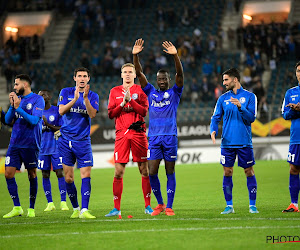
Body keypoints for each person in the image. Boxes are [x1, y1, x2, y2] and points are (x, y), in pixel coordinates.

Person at [132, 39, 184, 216]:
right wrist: (135, 55)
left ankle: (169, 206)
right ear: (156, 81)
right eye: (159, 79)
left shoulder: (175, 93)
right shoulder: (150, 92)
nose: (162, 81)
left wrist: (175, 56)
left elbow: (180, 74)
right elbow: (138, 74)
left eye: (164, 79)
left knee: (170, 171)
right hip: (153, 138)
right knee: (152, 171)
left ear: (169, 79)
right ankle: (160, 204)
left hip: (170, 136)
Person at [106, 62, 152, 217]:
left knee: (144, 170)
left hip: (139, 134)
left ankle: (148, 206)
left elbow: (144, 111)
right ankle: (116, 208)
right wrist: (123, 102)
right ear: (121, 74)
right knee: (118, 171)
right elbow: (111, 114)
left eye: (130, 72)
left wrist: (131, 101)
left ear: (134, 75)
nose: (127, 74)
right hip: (121, 135)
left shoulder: (140, 90)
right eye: (124, 72)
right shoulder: (114, 91)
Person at [210, 68, 259, 214]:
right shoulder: (222, 98)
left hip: (244, 142)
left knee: (249, 171)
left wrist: (240, 106)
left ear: (235, 79)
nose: (223, 82)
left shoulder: (250, 97)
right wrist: (213, 129)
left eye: (226, 80)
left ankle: (252, 205)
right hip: (227, 143)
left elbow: (251, 118)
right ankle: (229, 206)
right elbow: (215, 117)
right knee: (227, 172)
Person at [57, 67, 99, 219]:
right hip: (66, 141)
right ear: (74, 78)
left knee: (85, 174)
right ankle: (76, 208)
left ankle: (85, 210)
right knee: (68, 178)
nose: (82, 78)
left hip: (83, 141)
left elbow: (92, 114)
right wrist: (75, 99)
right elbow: (61, 111)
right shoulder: (65, 92)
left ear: (88, 79)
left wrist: (85, 99)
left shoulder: (93, 96)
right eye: (79, 76)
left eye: (85, 76)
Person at [3, 74, 45, 218]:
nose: (14, 87)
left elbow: (34, 121)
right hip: (14, 143)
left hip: (31, 144)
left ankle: (31, 208)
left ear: (25, 85)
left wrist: (19, 108)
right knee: (8, 173)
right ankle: (17, 207)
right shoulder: (17, 100)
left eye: (16, 84)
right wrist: (12, 106)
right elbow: (8, 120)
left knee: (32, 174)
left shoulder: (38, 99)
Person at [38, 90, 69, 212]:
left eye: (44, 94)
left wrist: (48, 124)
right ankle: (50, 203)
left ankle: (63, 202)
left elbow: (62, 128)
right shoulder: (36, 113)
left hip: (56, 147)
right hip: (42, 149)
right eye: (40, 95)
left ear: (50, 96)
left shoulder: (57, 110)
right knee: (45, 174)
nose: (42, 97)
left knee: (60, 173)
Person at [281, 61, 300, 212]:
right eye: (299, 70)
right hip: (296, 138)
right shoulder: (290, 93)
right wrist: (295, 110)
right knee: (293, 169)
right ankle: (294, 204)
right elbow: (285, 115)